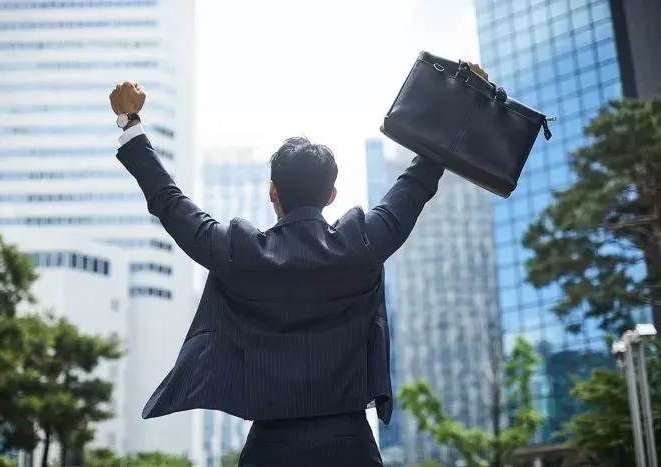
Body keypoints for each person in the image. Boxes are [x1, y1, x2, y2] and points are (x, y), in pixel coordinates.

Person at [109, 64, 486, 467]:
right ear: (331, 194)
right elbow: (418, 180)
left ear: (273, 191)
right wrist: (464, 99)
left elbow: (169, 201)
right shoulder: (362, 244)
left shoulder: (241, 254)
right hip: (351, 446)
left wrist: (130, 122)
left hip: (270, 450)